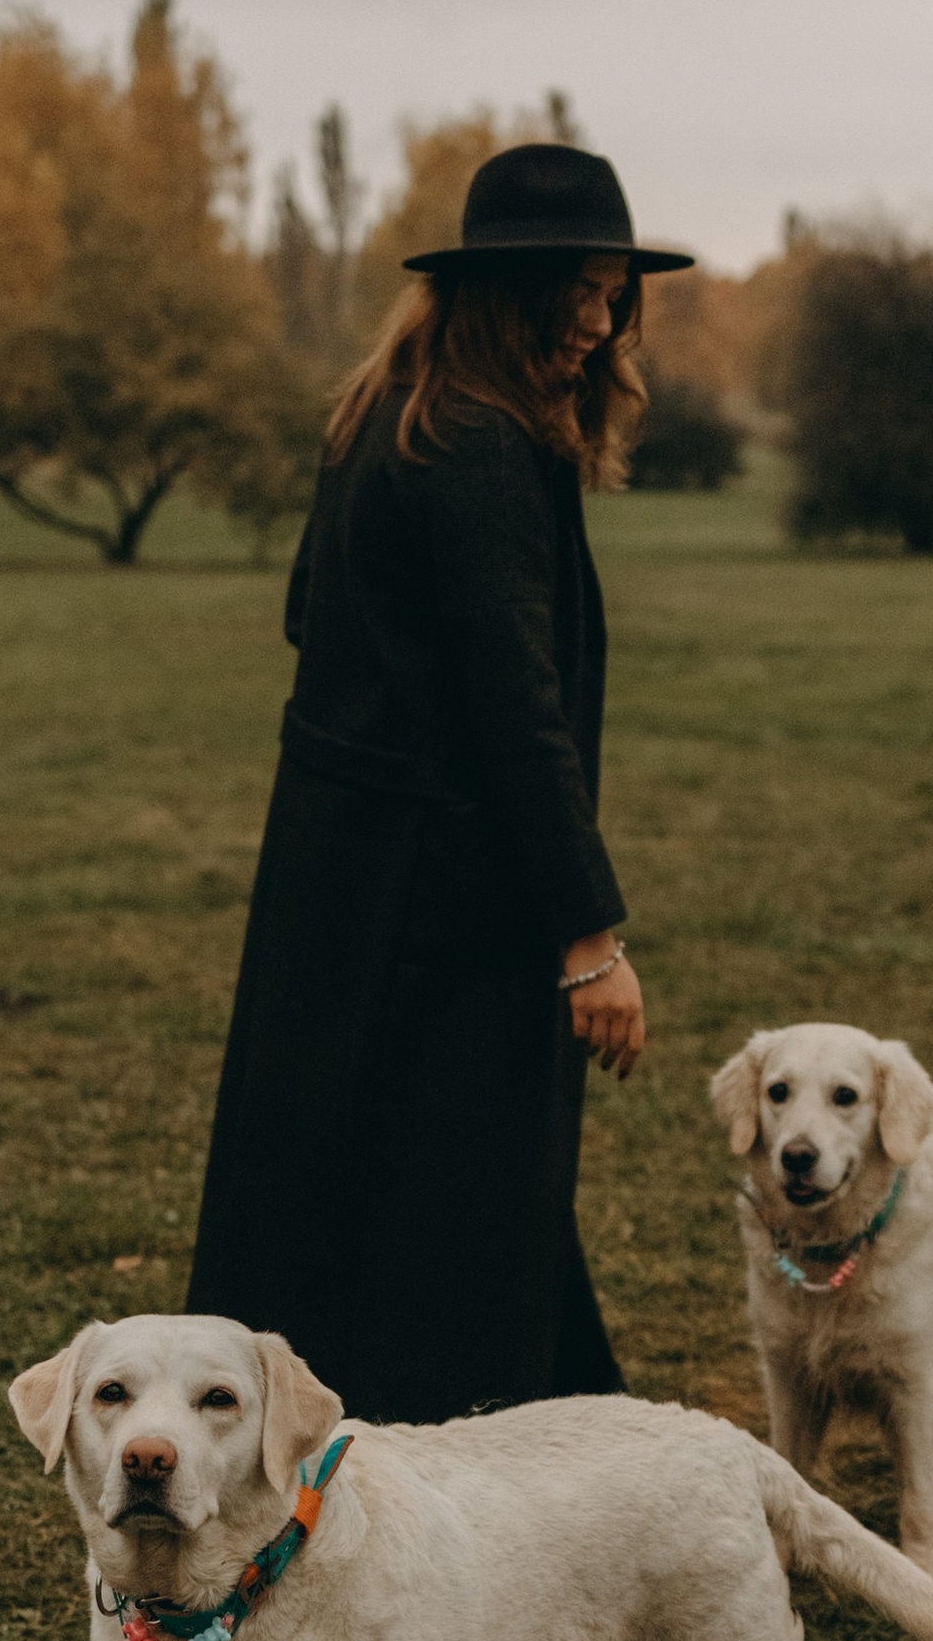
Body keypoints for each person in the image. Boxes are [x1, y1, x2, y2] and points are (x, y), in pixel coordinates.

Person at [186, 140, 692, 1422]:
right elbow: (516, 709)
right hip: (451, 896)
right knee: (463, 1202)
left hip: (338, 871)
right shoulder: (475, 444)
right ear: (499, 294)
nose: (597, 319)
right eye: (574, 290)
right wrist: (588, 939)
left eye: (611, 292)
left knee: (337, 1179)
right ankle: (489, 1472)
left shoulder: (387, 411)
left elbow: (313, 616)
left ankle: (529, 1428)